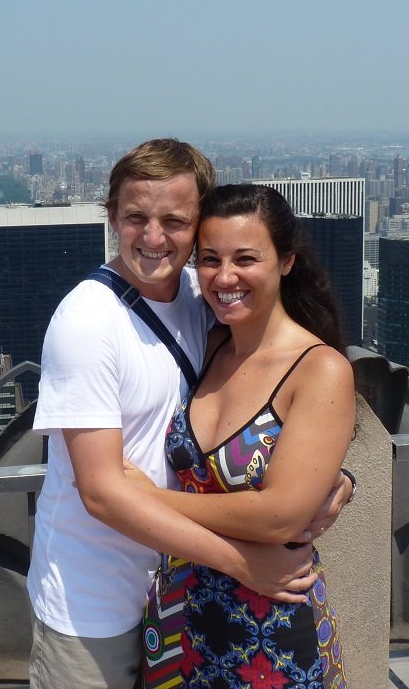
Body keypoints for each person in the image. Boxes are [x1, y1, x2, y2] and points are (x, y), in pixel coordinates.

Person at [27, 140, 354, 689]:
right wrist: (244, 563)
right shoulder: (87, 321)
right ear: (111, 218)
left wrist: (334, 477)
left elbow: (278, 412)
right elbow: (104, 492)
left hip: (184, 597)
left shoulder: (200, 303)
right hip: (98, 603)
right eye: (136, 217)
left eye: (174, 222)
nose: (154, 238)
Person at [123, 183, 357, 688]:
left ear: (287, 260)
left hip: (270, 635)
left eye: (245, 258)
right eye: (209, 260)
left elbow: (280, 516)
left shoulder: (318, 370)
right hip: (175, 623)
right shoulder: (208, 345)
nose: (225, 277)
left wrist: (149, 500)